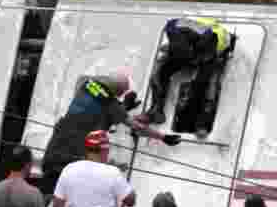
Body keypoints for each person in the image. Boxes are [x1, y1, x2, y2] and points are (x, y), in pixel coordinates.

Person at [39, 71, 181, 198]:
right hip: (73, 154)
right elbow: (137, 127)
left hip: (57, 142)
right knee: (61, 192)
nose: (119, 96)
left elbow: (92, 95)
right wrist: (162, 137)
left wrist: (121, 107)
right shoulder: (111, 104)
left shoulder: (87, 83)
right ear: (117, 90)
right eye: (121, 93)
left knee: (47, 187)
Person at [140, 17, 235, 135]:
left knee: (202, 83)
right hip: (191, 41)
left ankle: (201, 123)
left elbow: (201, 74)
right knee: (160, 73)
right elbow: (178, 52)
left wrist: (197, 58)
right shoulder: (172, 29)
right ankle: (155, 111)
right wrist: (170, 56)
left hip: (213, 46)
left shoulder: (209, 43)